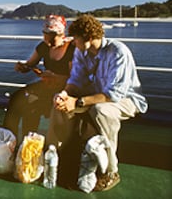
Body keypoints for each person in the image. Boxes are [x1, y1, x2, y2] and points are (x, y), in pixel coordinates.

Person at [47, 14, 147, 191]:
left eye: (76, 40)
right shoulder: (82, 51)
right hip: (97, 94)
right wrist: (64, 94)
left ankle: (110, 171)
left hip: (126, 99)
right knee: (59, 105)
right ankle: (55, 155)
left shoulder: (118, 52)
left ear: (89, 38)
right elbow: (76, 80)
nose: (73, 43)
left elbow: (113, 94)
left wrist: (77, 102)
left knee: (101, 111)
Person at [3, 15, 75, 140]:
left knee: (32, 105)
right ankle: (9, 138)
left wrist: (56, 77)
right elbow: (30, 64)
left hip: (65, 89)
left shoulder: (71, 49)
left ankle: (29, 140)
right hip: (47, 85)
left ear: (61, 34)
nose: (48, 40)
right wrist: (22, 67)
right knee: (16, 98)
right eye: (45, 35)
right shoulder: (43, 46)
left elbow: (75, 78)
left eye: (52, 37)